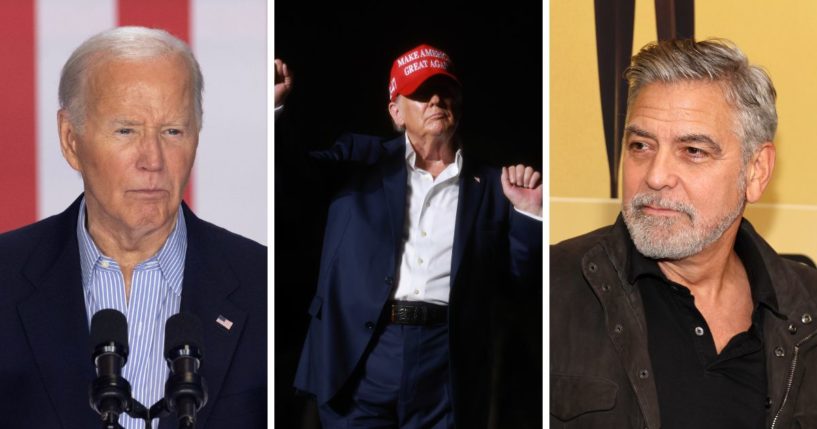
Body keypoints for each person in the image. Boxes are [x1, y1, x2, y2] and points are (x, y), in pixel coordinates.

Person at [0, 27, 266, 428]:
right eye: (127, 131)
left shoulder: (260, 280)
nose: (153, 160)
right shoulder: (6, 275)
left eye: (172, 131)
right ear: (70, 140)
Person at [551, 38, 817, 428]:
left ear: (756, 171)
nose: (655, 176)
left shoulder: (808, 307)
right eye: (640, 145)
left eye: (693, 151)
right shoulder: (553, 287)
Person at [275, 44, 543, 428]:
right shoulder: (359, 159)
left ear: (460, 103)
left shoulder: (492, 185)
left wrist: (528, 213)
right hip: (362, 353)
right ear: (396, 112)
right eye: (421, 92)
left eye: (444, 90)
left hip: (445, 360)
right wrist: (275, 111)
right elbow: (296, 176)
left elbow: (516, 283)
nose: (436, 99)